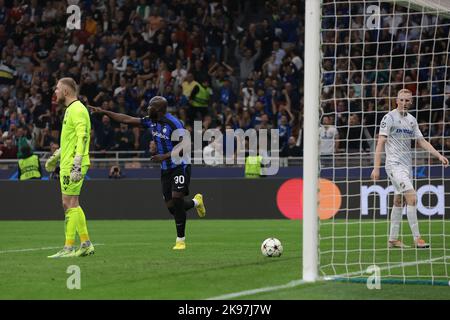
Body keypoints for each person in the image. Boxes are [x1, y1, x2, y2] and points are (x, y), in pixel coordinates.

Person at [89, 96, 206, 250]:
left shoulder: (174, 123)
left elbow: (186, 145)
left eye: (151, 106)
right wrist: (104, 112)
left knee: (177, 199)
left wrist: (163, 156)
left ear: (159, 110)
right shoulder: (151, 120)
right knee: (172, 207)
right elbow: (127, 119)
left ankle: (180, 240)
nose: (148, 108)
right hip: (165, 168)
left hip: (180, 165)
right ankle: (197, 202)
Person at [371, 89, 449, 249]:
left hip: (406, 166)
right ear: (396, 100)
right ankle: (417, 238)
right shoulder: (389, 118)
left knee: (398, 200)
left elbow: (422, 141)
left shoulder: (412, 120)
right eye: (402, 100)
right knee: (412, 197)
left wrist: (439, 155)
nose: (405, 103)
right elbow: (380, 142)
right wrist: (376, 167)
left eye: (408, 100)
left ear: (411, 102)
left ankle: (393, 239)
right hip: (393, 165)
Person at [45, 77, 94, 258]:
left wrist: (77, 162)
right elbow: (69, 141)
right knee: (72, 203)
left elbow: (83, 136)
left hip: (74, 163)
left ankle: (68, 247)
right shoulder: (71, 110)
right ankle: (86, 244)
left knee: (69, 203)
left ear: (66, 91)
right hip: (68, 161)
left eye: (57, 89)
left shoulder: (77, 109)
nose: (55, 92)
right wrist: (55, 157)